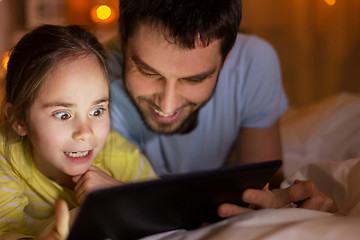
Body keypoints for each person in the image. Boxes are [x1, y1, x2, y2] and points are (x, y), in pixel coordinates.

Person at [107, 0, 334, 216]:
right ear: (122, 37)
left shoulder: (252, 62)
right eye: (148, 72)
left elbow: (265, 185)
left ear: (225, 60)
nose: (167, 105)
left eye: (194, 80)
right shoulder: (93, 78)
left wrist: (280, 201)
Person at [0, 24, 156, 239]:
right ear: (19, 120)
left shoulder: (117, 152)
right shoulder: (4, 158)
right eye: (63, 115)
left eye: (97, 111)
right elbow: (5, 230)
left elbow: (162, 208)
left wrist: (118, 195)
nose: (85, 133)